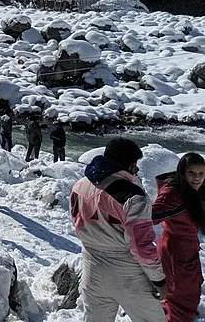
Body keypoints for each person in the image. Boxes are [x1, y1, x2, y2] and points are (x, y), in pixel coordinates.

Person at [70, 138, 167, 322]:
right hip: (127, 271)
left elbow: (77, 222)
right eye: (135, 166)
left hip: (91, 265)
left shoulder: (79, 186)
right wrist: (159, 280)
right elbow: (141, 246)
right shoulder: (134, 197)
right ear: (130, 165)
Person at [153, 153, 205, 322]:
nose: (197, 178)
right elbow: (146, 218)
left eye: (201, 173)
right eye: (192, 173)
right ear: (183, 172)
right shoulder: (173, 195)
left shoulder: (193, 190)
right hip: (175, 252)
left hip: (188, 249)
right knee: (179, 298)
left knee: (189, 292)